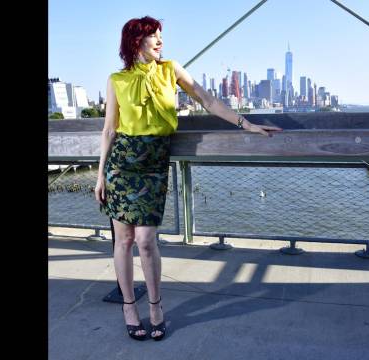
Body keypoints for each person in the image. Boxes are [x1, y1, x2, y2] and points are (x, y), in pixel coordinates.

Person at [94, 16, 282, 342]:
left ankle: (155, 307)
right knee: (123, 241)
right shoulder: (116, 80)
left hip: (153, 166)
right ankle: (129, 307)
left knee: (146, 241)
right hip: (121, 167)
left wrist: (246, 124)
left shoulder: (171, 69)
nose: (160, 41)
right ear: (136, 41)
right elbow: (109, 129)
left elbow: (206, 100)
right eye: (153, 36)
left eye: (160, 36)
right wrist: (99, 176)